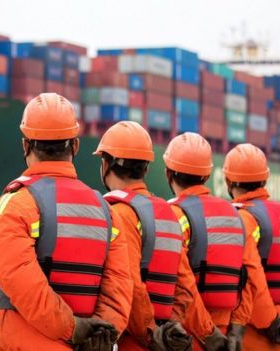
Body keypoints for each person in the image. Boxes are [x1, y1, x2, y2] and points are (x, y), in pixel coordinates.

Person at [0, 93, 133, 351]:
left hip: (25, 337)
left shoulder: (15, 205)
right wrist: (103, 333)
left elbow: (19, 279)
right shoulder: (106, 211)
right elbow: (119, 284)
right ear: (75, 146)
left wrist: (71, 327)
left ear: (25, 146)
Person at [164, 133, 280, 351]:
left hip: (187, 336)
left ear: (168, 173)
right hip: (228, 335)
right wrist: (237, 327)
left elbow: (183, 283)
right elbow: (250, 275)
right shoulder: (234, 215)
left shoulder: (173, 215)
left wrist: (208, 333)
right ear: (208, 174)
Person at [93, 121, 192, 351]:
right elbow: (185, 286)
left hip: (137, 341)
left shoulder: (118, 212)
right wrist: (171, 332)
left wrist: (153, 335)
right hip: (168, 338)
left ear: (106, 164)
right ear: (146, 168)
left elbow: (130, 286)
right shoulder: (169, 213)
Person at [223, 143, 280, 350]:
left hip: (251, 333)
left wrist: (270, 323)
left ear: (228, 180)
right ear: (265, 178)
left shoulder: (241, 218)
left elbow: (252, 277)